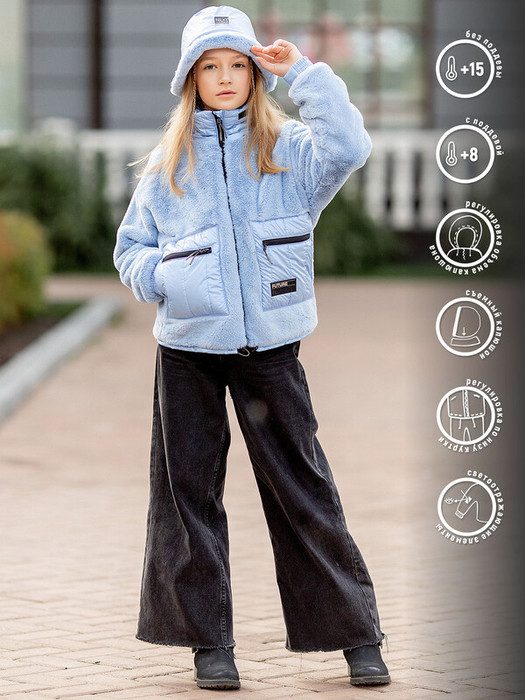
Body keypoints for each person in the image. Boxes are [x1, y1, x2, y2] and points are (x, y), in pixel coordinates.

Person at [114, 4, 390, 691]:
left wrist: (302, 72)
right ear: (190, 79)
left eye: (238, 64)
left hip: (270, 349)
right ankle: (209, 644)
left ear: (254, 74)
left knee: (304, 487)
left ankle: (355, 635)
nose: (225, 77)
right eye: (210, 66)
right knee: (187, 496)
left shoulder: (291, 151)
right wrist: (164, 278)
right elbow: (131, 251)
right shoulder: (167, 166)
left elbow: (350, 146)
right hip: (188, 352)